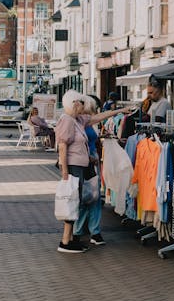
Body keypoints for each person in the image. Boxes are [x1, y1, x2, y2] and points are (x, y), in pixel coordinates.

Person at [55, 89, 133, 254]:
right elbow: (62, 146)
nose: (82, 106)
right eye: (79, 102)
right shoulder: (68, 120)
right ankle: (65, 242)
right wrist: (65, 171)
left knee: (75, 201)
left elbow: (98, 117)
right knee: (72, 201)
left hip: (80, 166)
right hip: (73, 168)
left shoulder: (77, 120)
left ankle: (68, 240)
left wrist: (119, 111)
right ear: (72, 103)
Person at [73, 96, 105, 247]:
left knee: (93, 196)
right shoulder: (80, 121)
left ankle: (91, 231)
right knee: (86, 197)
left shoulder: (87, 121)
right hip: (86, 161)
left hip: (91, 160)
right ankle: (81, 231)